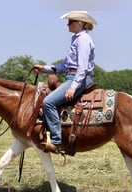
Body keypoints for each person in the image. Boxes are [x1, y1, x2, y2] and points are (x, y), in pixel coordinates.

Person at [33, 11, 97, 153]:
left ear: (79, 23)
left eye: (70, 22)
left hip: (79, 79)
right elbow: (64, 66)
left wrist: (73, 87)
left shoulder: (83, 39)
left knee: (48, 102)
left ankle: (56, 141)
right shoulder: (76, 39)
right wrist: (44, 69)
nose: (67, 25)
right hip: (72, 77)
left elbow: (82, 68)